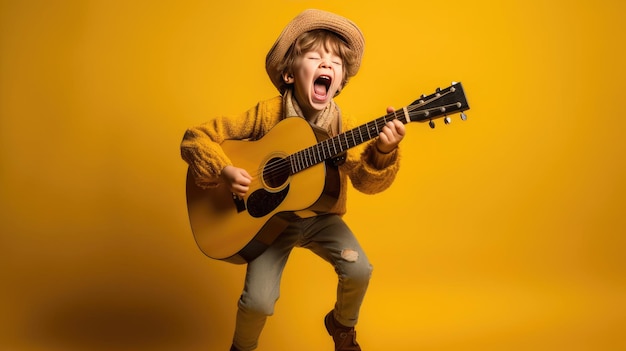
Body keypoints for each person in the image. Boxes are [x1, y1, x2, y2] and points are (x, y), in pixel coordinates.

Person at [181, 9, 405, 351]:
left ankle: (342, 328)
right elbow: (195, 138)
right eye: (314, 57)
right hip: (270, 224)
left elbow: (366, 181)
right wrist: (224, 170)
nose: (326, 66)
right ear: (288, 74)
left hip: (321, 219)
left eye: (336, 63)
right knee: (257, 302)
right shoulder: (266, 114)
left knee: (359, 269)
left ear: (341, 81)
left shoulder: (343, 127)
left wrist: (384, 152)